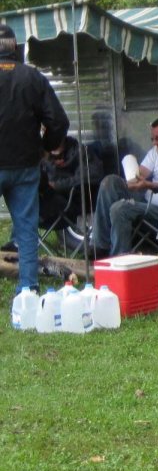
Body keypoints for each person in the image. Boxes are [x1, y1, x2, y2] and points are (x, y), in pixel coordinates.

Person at [0, 23, 70, 295]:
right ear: (15, 49)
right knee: (26, 230)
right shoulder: (33, 78)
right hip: (25, 167)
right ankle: (28, 287)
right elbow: (58, 121)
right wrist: (45, 148)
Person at [91, 114, 158, 256]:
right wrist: (131, 177)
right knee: (110, 182)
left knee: (120, 208)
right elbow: (139, 176)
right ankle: (100, 248)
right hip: (147, 203)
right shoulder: (157, 152)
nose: (154, 143)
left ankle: (120, 258)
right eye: (152, 139)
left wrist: (149, 185)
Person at [38, 135, 98, 243]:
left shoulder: (80, 151)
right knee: (25, 196)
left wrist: (57, 186)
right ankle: (17, 240)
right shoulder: (40, 156)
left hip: (70, 205)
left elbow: (90, 176)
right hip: (44, 205)